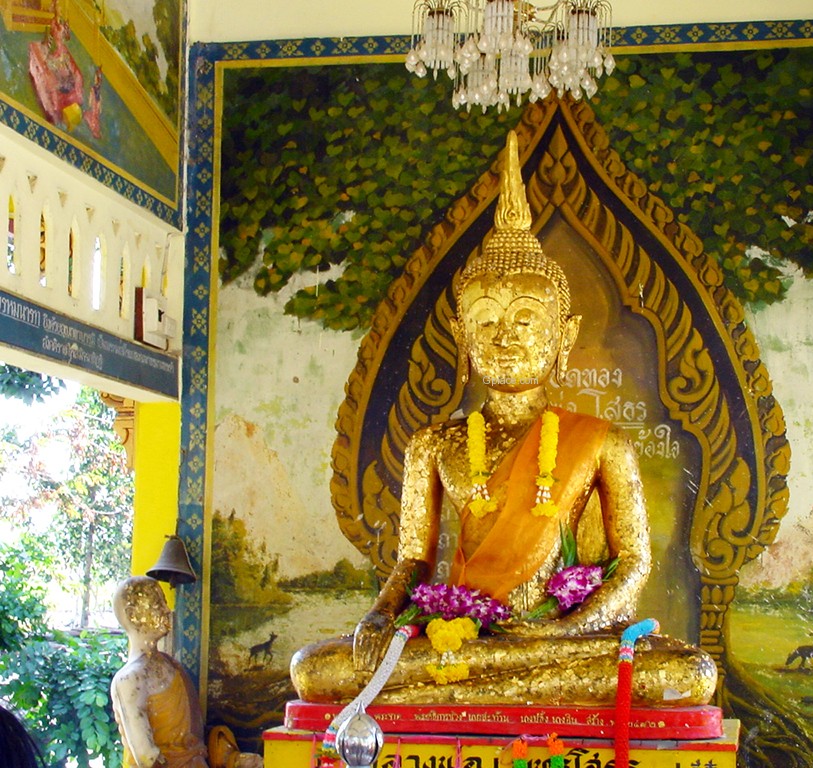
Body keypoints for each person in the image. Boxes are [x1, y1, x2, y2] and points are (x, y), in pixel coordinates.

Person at [290, 131, 717, 707]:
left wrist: (567, 629)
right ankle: (494, 685)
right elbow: (414, 559)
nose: (505, 337)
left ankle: (454, 693)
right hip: (463, 634)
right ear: (462, 337)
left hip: (566, 640)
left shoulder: (602, 443)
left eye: (526, 319)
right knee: (314, 670)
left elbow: (634, 563)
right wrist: (380, 614)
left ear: (563, 335)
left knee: (689, 674)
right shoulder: (434, 444)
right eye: (486, 321)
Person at [111, 576, 262, 768]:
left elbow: (193, 739)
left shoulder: (172, 665)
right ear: (132, 614)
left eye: (164, 603)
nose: (167, 610)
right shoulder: (130, 679)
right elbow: (146, 757)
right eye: (158, 604)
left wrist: (230, 758)